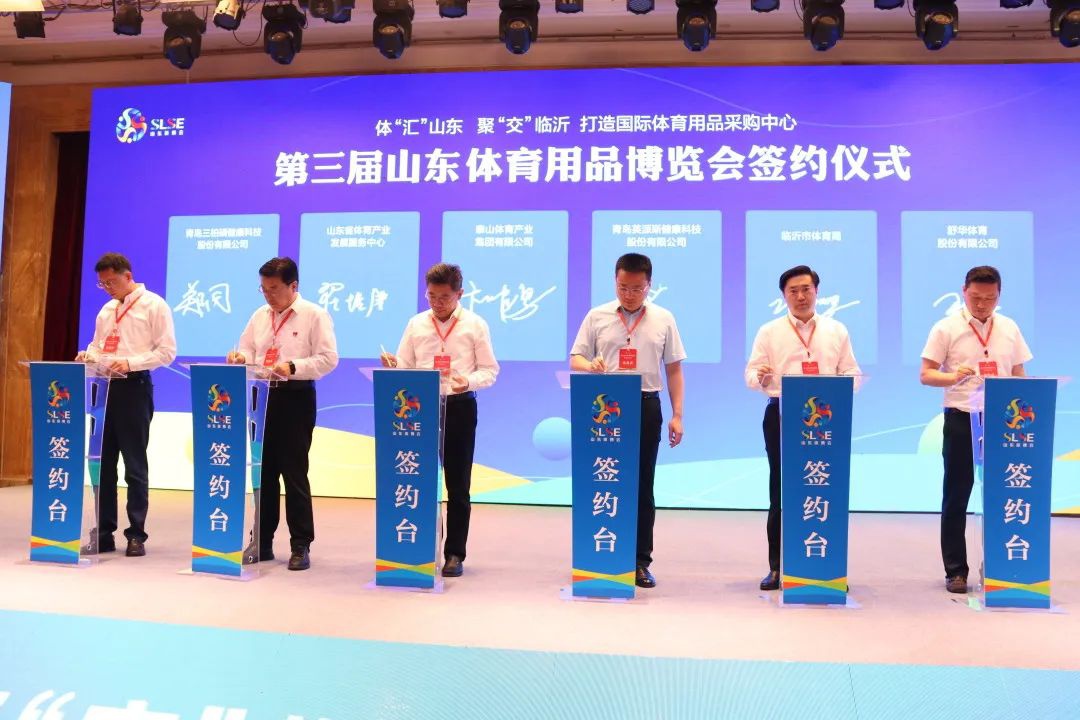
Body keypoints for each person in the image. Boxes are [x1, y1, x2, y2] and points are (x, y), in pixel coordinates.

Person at [569, 252, 686, 589]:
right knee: (603, 479)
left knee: (642, 485)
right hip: (605, 408)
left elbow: (674, 369)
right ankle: (601, 553)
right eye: (623, 287)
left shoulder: (663, 318)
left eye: (637, 288)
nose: (629, 294)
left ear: (649, 285)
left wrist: (678, 415)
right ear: (615, 282)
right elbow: (576, 357)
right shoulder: (597, 315)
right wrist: (590, 365)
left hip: (646, 404)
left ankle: (639, 561)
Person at [745, 265, 860, 591]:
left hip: (827, 421)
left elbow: (852, 373)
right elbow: (751, 375)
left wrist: (840, 387)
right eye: (793, 291)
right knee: (781, 492)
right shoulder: (769, 332)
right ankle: (777, 568)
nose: (800, 296)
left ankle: (827, 568)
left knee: (826, 490)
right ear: (784, 295)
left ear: (816, 291)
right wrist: (761, 377)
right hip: (782, 415)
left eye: (806, 289)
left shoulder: (836, 330)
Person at [380, 262, 499, 578]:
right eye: (431, 296)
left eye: (444, 296)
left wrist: (467, 382)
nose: (437, 302)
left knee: (458, 486)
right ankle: (420, 548)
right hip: (420, 409)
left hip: (459, 407)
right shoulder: (416, 324)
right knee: (418, 479)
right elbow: (406, 364)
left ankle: (455, 554)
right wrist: (394, 365)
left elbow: (490, 371)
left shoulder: (475, 325)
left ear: (460, 293)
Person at [919, 265, 1031, 594]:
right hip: (962, 419)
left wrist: (1025, 402)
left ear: (999, 295)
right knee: (957, 495)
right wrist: (952, 377)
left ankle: (1000, 565)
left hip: (1004, 421)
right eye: (976, 297)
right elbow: (926, 374)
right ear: (964, 291)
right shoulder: (946, 328)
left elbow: (1019, 373)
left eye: (990, 298)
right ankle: (956, 571)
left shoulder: (1009, 327)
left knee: (1003, 494)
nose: (982, 305)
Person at [227, 257, 338, 571]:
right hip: (261, 396)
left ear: (294, 286)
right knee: (263, 472)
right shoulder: (259, 315)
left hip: (295, 397)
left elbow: (328, 358)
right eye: (263, 289)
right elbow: (248, 349)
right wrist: (240, 357)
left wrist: (292, 367)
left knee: (294, 473)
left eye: (274, 289)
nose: (268, 295)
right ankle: (261, 541)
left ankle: (300, 544)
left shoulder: (314, 315)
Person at [77, 252, 177, 557]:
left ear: (128, 275)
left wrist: (130, 363)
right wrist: (88, 355)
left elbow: (167, 352)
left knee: (134, 465)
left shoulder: (154, 305)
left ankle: (136, 534)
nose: (107, 288)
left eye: (111, 282)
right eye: (102, 284)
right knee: (102, 464)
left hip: (134, 388)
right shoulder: (107, 310)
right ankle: (103, 533)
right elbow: (98, 345)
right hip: (104, 388)